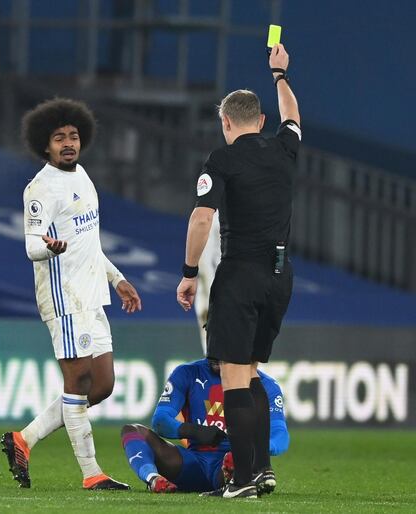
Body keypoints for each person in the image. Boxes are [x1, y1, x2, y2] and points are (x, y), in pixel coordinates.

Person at [175, 43, 300, 499]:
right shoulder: (285, 149)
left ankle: (243, 479)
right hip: (280, 277)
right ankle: (262, 471)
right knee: (250, 373)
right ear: (261, 121)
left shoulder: (222, 158)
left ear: (226, 123)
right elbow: (294, 118)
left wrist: (190, 272)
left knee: (232, 374)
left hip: (241, 273)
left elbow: (202, 218)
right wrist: (280, 75)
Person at [0, 98, 142, 490]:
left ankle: (23, 439)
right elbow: (30, 246)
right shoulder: (40, 188)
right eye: (59, 137)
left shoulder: (83, 178)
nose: (68, 143)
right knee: (78, 382)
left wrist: (117, 279)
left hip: (93, 294)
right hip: (63, 298)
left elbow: (89, 243)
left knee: (103, 385)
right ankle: (91, 473)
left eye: (74, 136)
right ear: (44, 145)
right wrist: (50, 247)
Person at [120, 358, 289, 494]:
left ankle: (234, 477)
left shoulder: (265, 386)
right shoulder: (187, 372)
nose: (216, 351)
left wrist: (250, 450)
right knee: (132, 430)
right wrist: (194, 431)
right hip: (193, 463)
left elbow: (281, 436)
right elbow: (160, 421)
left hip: (236, 463)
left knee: (234, 459)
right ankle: (154, 479)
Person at [196, 215, 221, 354]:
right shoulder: (212, 216)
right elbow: (204, 261)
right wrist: (214, 297)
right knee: (214, 356)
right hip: (212, 294)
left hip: (234, 293)